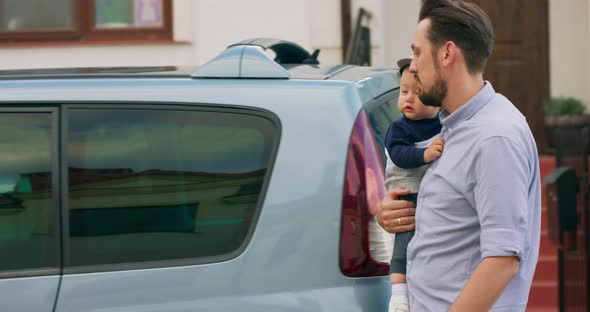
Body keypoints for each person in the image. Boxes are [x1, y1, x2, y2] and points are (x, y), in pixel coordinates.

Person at [376, 0, 541, 311]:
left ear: (447, 53)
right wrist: (391, 214)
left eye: (417, 52)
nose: (411, 67)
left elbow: (502, 261)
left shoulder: (494, 137)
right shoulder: (452, 125)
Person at [384, 57, 442, 312]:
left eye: (418, 94)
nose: (408, 99)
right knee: (403, 245)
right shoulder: (398, 129)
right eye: (403, 91)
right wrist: (426, 155)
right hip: (407, 193)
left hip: (428, 195)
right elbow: (400, 156)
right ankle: (398, 297)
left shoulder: (442, 124)